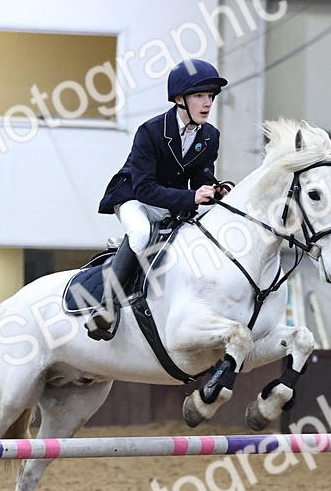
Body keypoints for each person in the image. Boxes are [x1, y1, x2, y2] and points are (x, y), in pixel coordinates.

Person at [89, 58, 230, 340]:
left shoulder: (210, 136)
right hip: (134, 197)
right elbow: (145, 189)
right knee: (141, 234)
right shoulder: (150, 131)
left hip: (172, 200)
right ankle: (105, 306)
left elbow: (201, 179)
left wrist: (213, 191)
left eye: (210, 96)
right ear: (180, 99)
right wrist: (191, 197)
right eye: (199, 96)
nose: (207, 103)